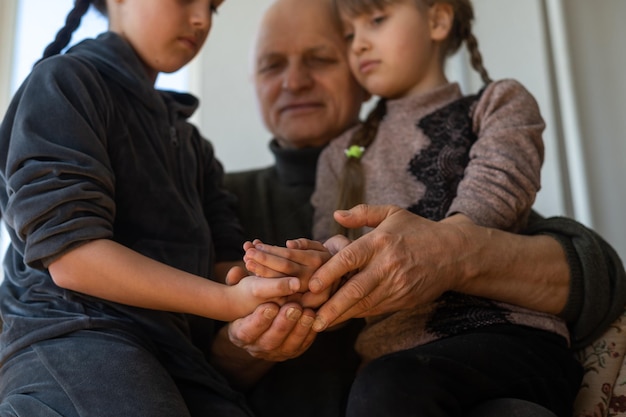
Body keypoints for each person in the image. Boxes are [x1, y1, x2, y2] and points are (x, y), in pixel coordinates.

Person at [218, 0, 626, 416]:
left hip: (507, 343)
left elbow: (512, 209)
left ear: (437, 18)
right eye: (348, 36)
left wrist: (447, 252)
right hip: (399, 371)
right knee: (385, 387)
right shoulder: (307, 169)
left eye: (321, 58)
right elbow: (330, 261)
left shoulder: (493, 108)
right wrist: (306, 278)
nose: (359, 46)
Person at [0, 1, 301, 416]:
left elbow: (226, 264)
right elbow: (73, 258)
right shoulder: (64, 81)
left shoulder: (192, 143)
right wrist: (228, 301)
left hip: (175, 353)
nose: (201, 19)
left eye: (212, 6)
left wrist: (278, 279)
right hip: (75, 333)